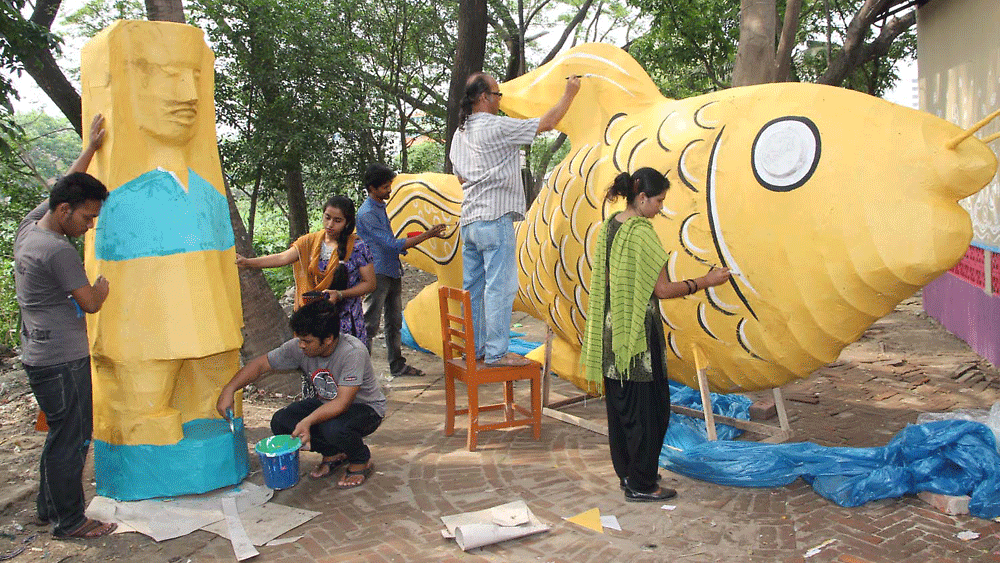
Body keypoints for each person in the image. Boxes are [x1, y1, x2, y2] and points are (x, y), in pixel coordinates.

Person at [580, 168, 731, 503]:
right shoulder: (642, 233)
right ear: (643, 198)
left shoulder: (610, 225)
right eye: (659, 200)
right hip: (636, 335)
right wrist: (706, 281)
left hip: (610, 329)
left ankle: (630, 475)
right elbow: (662, 290)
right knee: (651, 409)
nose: (661, 207)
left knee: (622, 408)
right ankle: (643, 483)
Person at [14, 114, 118, 538]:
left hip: (40, 355)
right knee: (72, 439)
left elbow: (65, 182)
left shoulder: (28, 230)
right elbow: (90, 304)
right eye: (88, 218)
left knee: (60, 434)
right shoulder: (57, 252)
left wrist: (90, 150)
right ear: (64, 211)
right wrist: (102, 287)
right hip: (62, 360)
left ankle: (48, 507)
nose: (90, 225)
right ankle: (70, 521)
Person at [448, 72, 581, 367]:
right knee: (500, 288)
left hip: (469, 220)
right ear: (483, 97)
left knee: (474, 289)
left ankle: (477, 349)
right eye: (497, 95)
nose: (499, 100)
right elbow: (545, 123)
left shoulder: (460, 133)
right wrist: (570, 92)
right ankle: (496, 353)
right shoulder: (495, 126)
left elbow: (459, 176)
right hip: (494, 219)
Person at [216, 299, 385, 487]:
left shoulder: (353, 352)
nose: (301, 346)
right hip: (326, 404)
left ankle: (361, 460)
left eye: (307, 341)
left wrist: (308, 421)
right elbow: (260, 365)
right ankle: (334, 453)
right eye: (299, 339)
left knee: (334, 428)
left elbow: (343, 403)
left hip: (365, 409)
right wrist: (229, 389)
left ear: (328, 338)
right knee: (281, 421)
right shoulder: (298, 347)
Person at [237, 196, 376, 345]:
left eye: (337, 221)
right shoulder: (310, 242)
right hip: (314, 319)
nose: (330, 224)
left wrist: (341, 294)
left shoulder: (357, 247)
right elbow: (282, 258)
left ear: (347, 223)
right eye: (327, 217)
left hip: (346, 320)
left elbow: (370, 284)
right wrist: (248, 262)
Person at [356, 163, 447, 377]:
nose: (389, 190)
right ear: (372, 188)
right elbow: (390, 244)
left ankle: (397, 364)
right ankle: (360, 372)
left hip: (391, 269)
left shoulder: (378, 207)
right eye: (385, 187)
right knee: (370, 323)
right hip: (377, 272)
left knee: (394, 321)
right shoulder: (368, 213)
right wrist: (427, 235)